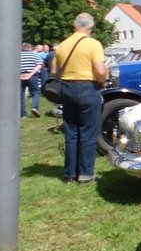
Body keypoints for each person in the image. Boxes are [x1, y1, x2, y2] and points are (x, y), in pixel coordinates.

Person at [53, 13, 107, 184]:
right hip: (87, 87)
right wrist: (103, 81)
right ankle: (85, 173)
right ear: (90, 27)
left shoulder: (62, 45)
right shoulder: (93, 44)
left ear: (74, 25)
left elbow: (54, 70)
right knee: (88, 132)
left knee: (71, 132)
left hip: (67, 88)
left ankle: (69, 174)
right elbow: (99, 70)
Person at [20, 42, 43, 118]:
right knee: (35, 93)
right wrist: (30, 74)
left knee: (21, 95)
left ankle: (22, 114)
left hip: (21, 76)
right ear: (30, 48)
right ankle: (34, 107)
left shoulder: (18, 55)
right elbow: (39, 65)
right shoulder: (34, 54)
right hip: (32, 76)